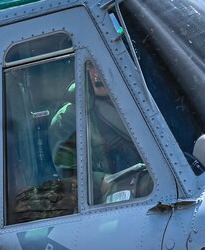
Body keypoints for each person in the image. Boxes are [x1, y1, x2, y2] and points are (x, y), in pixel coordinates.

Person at [50, 60, 146, 203]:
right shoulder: (68, 118)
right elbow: (69, 175)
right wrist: (102, 182)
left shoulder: (142, 100)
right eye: (90, 66)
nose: (96, 73)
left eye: (101, 62)